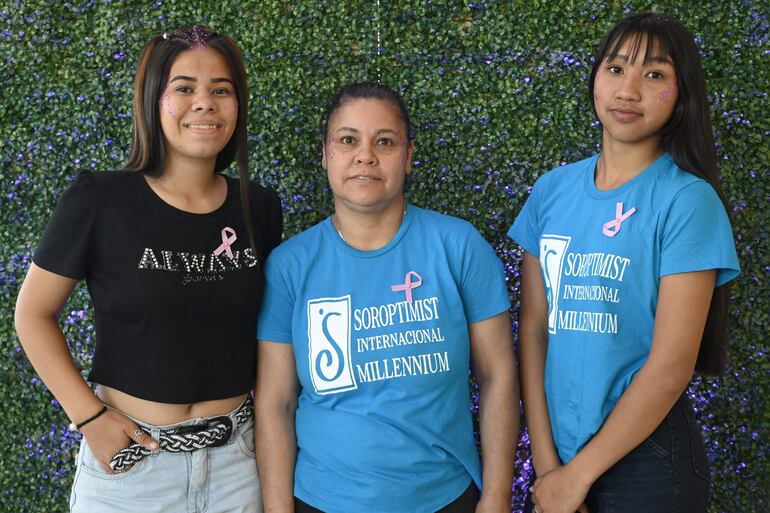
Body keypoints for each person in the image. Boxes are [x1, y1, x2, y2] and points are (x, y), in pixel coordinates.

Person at [14, 25, 282, 512]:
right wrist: (89, 418)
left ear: (238, 105)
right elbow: (31, 314)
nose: (205, 103)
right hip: (132, 469)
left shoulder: (259, 207)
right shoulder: (100, 199)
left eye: (221, 90)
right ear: (154, 101)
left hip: (237, 467)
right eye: (184, 88)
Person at [508, 13, 740, 513]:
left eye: (654, 74)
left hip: (648, 461)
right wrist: (549, 466)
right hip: (560, 456)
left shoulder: (686, 201)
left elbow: (671, 364)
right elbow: (533, 329)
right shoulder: (552, 191)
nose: (628, 89)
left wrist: (580, 476)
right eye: (616, 68)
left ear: (681, 93)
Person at [254, 82, 519, 513]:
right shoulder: (290, 266)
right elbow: (275, 402)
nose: (365, 155)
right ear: (326, 154)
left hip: (444, 497)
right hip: (320, 499)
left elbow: (498, 378)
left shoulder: (458, 246)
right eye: (348, 140)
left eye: (385, 141)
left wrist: (496, 496)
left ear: (409, 155)